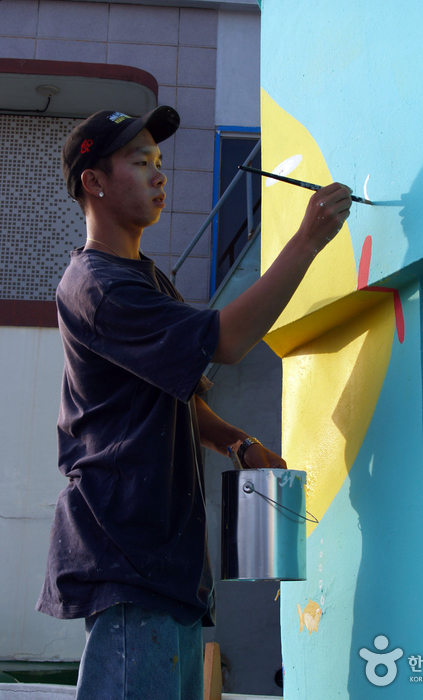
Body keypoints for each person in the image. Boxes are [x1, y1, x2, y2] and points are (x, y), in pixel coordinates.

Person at [36, 106, 352, 699]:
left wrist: (238, 442)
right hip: (127, 555)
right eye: (140, 162)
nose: (160, 175)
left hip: (164, 564)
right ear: (93, 181)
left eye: (160, 162)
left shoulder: (145, 278)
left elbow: (183, 397)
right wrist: (307, 240)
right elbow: (228, 342)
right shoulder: (99, 286)